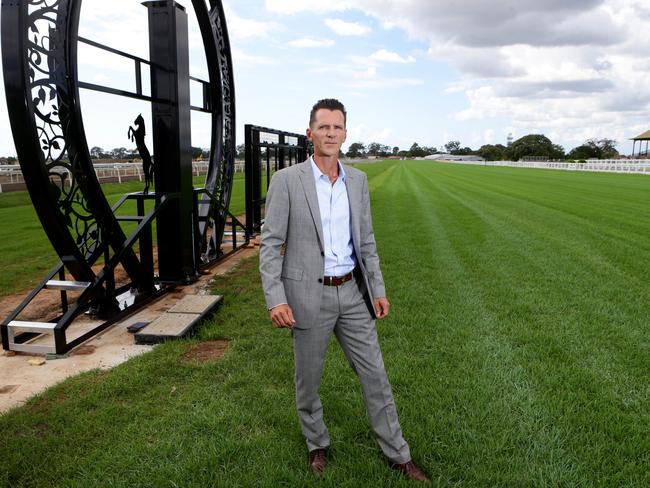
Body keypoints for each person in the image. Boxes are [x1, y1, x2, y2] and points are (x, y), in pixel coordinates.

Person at [259, 98, 429, 482]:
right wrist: (276, 298)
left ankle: (398, 453)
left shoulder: (358, 180)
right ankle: (316, 444)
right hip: (306, 297)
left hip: (353, 293)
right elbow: (270, 245)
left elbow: (365, 239)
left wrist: (378, 289)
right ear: (311, 134)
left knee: (375, 375)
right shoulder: (287, 181)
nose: (331, 133)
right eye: (323, 127)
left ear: (345, 134)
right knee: (309, 380)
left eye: (337, 127)